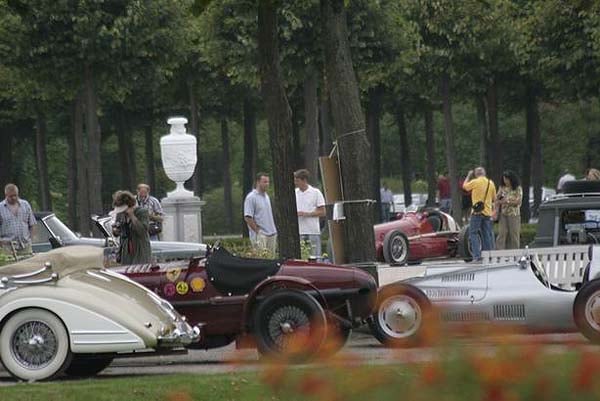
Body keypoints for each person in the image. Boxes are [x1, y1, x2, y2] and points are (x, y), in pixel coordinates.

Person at [463, 167, 496, 261]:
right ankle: (488, 256)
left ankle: (477, 256)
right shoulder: (491, 183)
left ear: (476, 174)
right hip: (487, 213)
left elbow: (464, 186)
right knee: (486, 234)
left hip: (477, 212)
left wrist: (468, 176)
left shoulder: (475, 182)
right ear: (484, 173)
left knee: (473, 233)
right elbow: (494, 198)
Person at [112, 190, 152, 265]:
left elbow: (142, 231)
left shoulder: (142, 212)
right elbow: (118, 230)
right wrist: (116, 231)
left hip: (139, 247)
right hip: (125, 249)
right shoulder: (121, 214)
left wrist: (132, 216)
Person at [294, 169, 326, 258]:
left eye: (298, 181)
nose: (296, 183)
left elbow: (322, 211)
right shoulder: (294, 193)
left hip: (312, 231)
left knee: (315, 256)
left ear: (304, 180)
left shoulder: (315, 192)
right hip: (299, 231)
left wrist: (306, 214)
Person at [244, 173, 278, 255]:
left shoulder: (266, 196)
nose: (267, 184)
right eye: (265, 182)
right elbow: (248, 217)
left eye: (268, 182)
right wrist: (257, 231)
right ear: (258, 182)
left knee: (271, 259)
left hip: (271, 233)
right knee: (261, 258)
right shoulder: (251, 197)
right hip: (260, 235)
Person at [0, 184, 36, 258]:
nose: (13, 198)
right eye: (11, 196)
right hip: (7, 247)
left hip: (25, 246)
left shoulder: (25, 205)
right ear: (6, 195)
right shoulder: (1, 208)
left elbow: (32, 224)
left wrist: (31, 240)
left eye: (15, 195)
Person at [495, 171, 523, 250]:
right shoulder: (502, 188)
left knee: (514, 234)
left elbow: (518, 202)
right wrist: (499, 198)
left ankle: (514, 252)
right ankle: (499, 252)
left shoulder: (518, 188)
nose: (505, 181)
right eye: (504, 179)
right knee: (502, 233)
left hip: (514, 214)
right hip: (504, 214)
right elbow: (497, 199)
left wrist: (507, 201)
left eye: (507, 179)